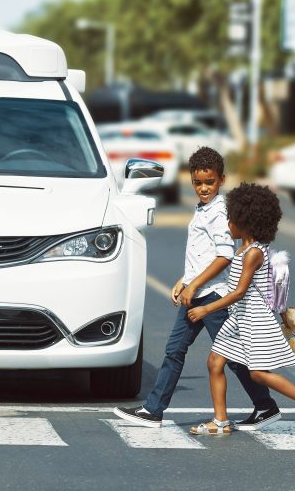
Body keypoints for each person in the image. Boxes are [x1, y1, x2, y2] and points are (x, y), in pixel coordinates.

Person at [114, 148, 281, 431]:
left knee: (233, 358)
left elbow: (223, 256)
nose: (204, 188)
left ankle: (265, 405)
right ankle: (153, 410)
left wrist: (194, 283)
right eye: (198, 183)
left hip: (213, 295)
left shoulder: (219, 213)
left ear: (221, 180)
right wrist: (184, 280)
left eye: (210, 182)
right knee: (175, 351)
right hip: (197, 292)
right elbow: (202, 254)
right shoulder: (203, 208)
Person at [187, 182, 295, 436]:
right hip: (238, 318)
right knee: (214, 362)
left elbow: (239, 292)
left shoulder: (253, 253)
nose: (228, 224)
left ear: (246, 221)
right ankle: (220, 422)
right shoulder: (245, 249)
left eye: (231, 219)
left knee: (258, 374)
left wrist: (206, 310)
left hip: (254, 318)